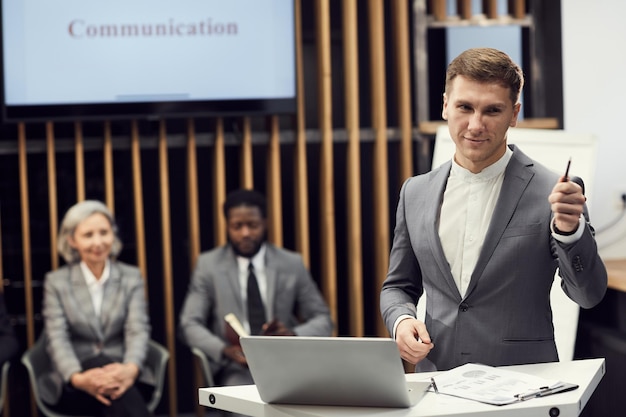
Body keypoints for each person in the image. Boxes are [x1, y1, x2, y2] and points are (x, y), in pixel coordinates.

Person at [380, 47, 607, 372]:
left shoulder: (555, 193)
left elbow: (588, 295)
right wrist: (401, 320)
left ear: (514, 114)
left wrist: (571, 233)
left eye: (492, 111)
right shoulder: (415, 192)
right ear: (445, 105)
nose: (475, 124)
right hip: (437, 384)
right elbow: (398, 286)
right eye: (465, 107)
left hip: (526, 387)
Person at [179, 189, 333, 387]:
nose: (245, 233)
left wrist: (293, 335)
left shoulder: (291, 263)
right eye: (237, 226)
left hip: (286, 362)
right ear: (227, 226)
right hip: (236, 368)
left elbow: (323, 319)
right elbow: (189, 324)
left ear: (265, 223)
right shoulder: (209, 265)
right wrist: (224, 349)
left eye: (252, 225)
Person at [41, 200, 154, 416]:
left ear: (114, 235)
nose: (98, 242)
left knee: (113, 394)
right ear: (72, 240)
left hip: (123, 373)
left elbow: (137, 329)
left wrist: (130, 370)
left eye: (104, 232)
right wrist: (78, 378)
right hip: (76, 378)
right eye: (88, 235)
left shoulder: (131, 277)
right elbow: (57, 337)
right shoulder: (56, 282)